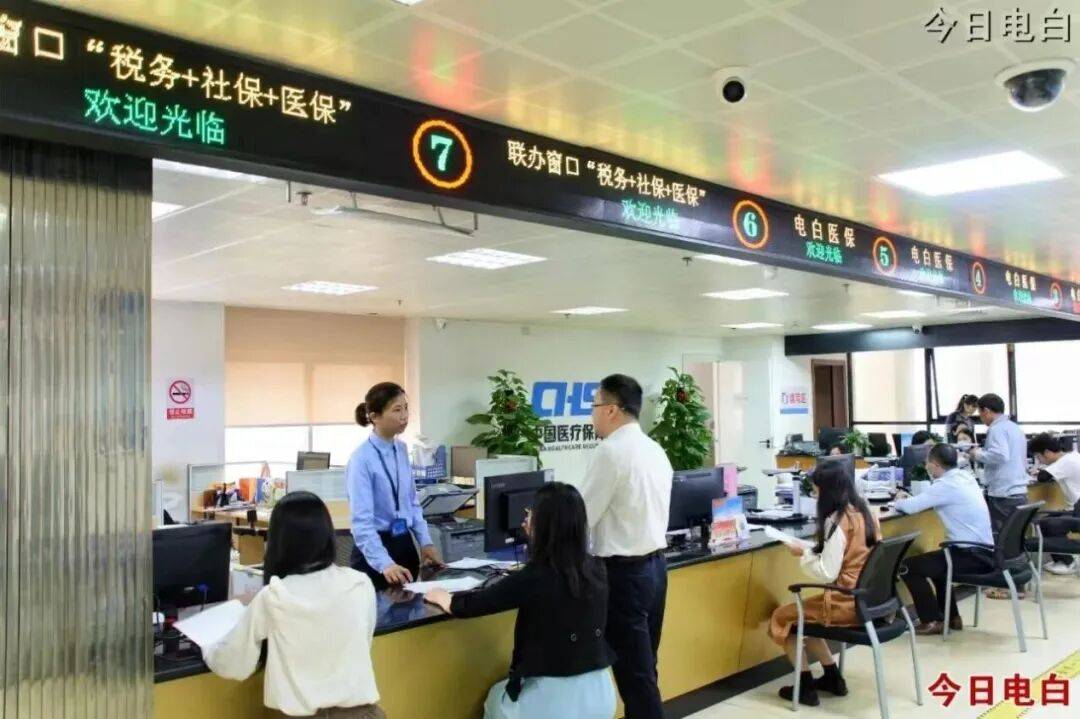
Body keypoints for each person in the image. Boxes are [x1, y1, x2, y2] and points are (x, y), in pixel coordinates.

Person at [424, 483, 616, 719]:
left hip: (556, 704)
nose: (526, 518)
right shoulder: (597, 568)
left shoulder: (535, 576)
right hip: (602, 696)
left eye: (532, 512)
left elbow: (476, 604)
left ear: (545, 524)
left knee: (495, 700)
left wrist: (445, 598)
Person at [205, 491, 384, 718]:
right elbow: (363, 642)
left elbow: (233, 663)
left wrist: (207, 647)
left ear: (278, 542)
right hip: (363, 714)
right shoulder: (360, 584)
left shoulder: (274, 596)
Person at [574, 374, 672, 719]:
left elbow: (582, 515)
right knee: (644, 668)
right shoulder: (654, 450)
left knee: (635, 678)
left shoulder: (610, 452)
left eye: (594, 406)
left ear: (612, 410)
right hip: (655, 570)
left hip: (624, 576)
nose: (592, 414)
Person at [767, 462, 881, 707]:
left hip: (845, 602)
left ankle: (805, 688)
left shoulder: (836, 521)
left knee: (783, 618)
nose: (815, 494)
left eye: (816, 489)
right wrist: (814, 549)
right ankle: (832, 678)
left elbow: (827, 573)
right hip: (869, 599)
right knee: (808, 617)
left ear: (826, 491)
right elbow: (848, 553)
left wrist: (803, 553)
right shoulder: (866, 512)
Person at [346, 382, 442, 589]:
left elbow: (412, 503)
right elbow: (362, 523)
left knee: (412, 606)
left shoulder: (401, 449)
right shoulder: (361, 459)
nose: (404, 416)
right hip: (374, 554)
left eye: (406, 408)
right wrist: (385, 564)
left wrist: (426, 542)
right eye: (397, 410)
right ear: (375, 417)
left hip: (403, 543)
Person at [895, 444, 994, 635]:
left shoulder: (945, 485)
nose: (926, 466)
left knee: (908, 567)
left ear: (935, 464)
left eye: (927, 463)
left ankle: (931, 621)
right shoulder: (965, 477)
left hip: (971, 555)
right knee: (938, 563)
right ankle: (952, 617)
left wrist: (899, 499)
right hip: (985, 552)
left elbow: (909, 507)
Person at [968, 394, 1029, 599]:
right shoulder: (1013, 427)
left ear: (986, 410)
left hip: (1003, 493)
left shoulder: (996, 429)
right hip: (1017, 490)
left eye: (980, 414)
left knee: (1002, 541)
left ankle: (1006, 585)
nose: (981, 418)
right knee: (1013, 541)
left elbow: (1000, 455)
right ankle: (1018, 584)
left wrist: (977, 454)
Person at [1027, 434, 1080, 576]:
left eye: (1038, 456)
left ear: (1047, 452)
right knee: (1048, 520)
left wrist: (1040, 468)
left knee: (1048, 524)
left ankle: (1068, 562)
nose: (1039, 460)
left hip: (1077, 510)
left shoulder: (1064, 462)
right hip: (1075, 507)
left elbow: (1042, 477)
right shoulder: (1072, 456)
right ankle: (1063, 560)